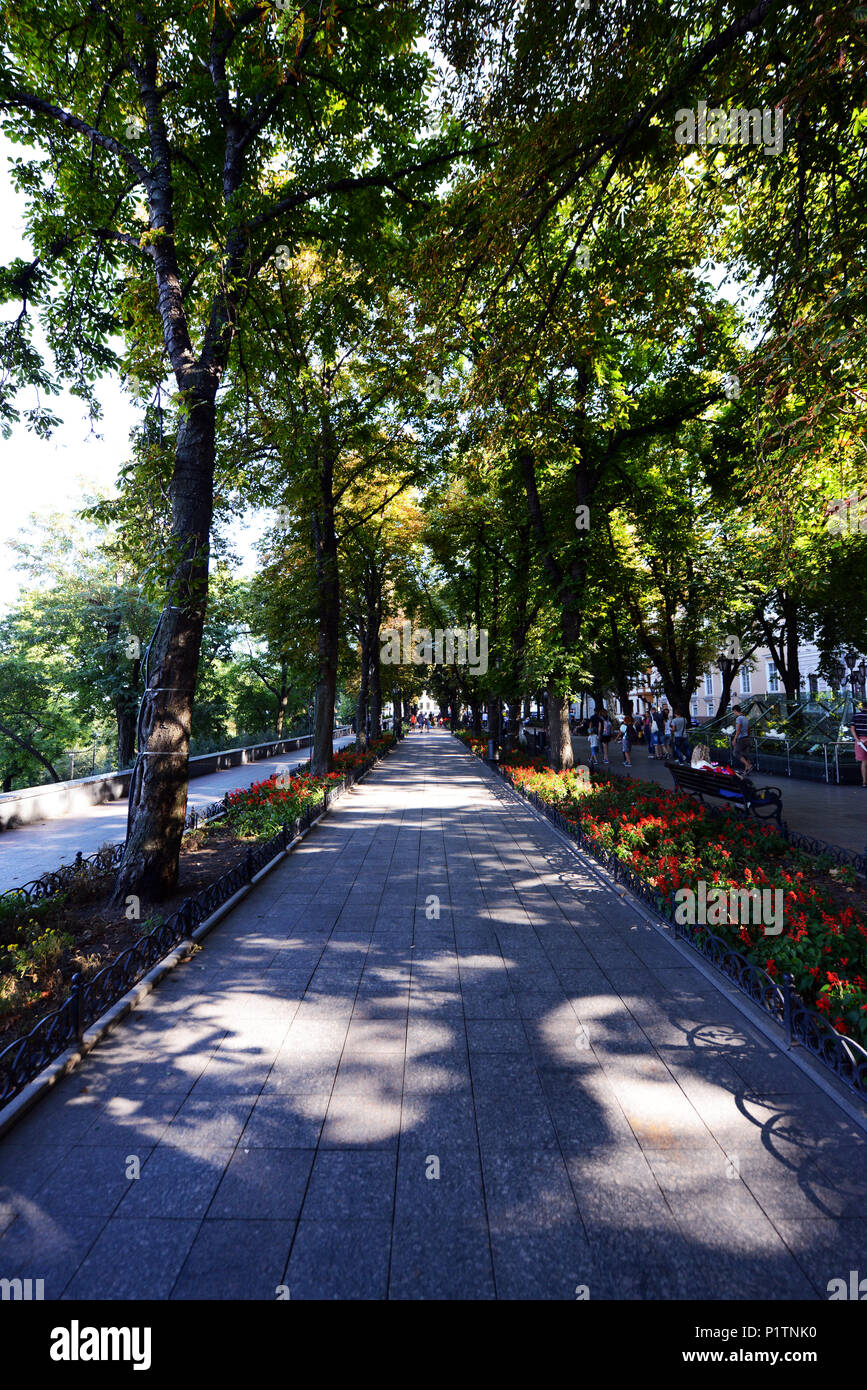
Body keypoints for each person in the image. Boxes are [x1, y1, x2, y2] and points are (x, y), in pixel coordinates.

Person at [730, 703, 753, 774]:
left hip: (741, 739)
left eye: (733, 712)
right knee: (745, 755)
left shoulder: (739, 718)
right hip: (747, 738)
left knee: (735, 753)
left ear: (735, 710)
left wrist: (734, 739)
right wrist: (748, 736)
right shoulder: (746, 718)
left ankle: (748, 765)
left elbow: (738, 730)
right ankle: (747, 770)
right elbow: (749, 729)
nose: (734, 713)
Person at [851, 702, 867, 787]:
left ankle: (864, 782)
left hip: (860, 740)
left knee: (864, 762)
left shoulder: (856, 716)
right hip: (865, 739)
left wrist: (858, 740)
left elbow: (852, 728)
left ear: (862, 707)